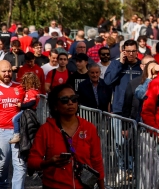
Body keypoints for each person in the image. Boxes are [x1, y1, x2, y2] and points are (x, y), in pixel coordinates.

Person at [28, 85, 105, 189]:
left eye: (74, 99)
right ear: (55, 105)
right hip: (53, 186)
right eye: (64, 100)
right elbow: (32, 161)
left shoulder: (89, 128)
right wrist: (48, 162)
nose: (70, 103)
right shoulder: (46, 130)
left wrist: (102, 187)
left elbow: (97, 161)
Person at [0, 60, 25, 188]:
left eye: (9, 71)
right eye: (4, 71)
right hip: (1, 132)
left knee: (20, 165)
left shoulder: (20, 87)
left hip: (18, 132)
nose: (7, 74)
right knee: (2, 165)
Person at [103, 39, 143, 117]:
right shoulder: (116, 63)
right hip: (119, 109)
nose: (131, 54)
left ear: (137, 51)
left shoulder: (141, 65)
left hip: (136, 109)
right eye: (128, 51)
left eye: (133, 51)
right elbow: (107, 81)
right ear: (123, 51)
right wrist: (120, 64)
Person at [7, 72, 39, 145]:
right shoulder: (31, 91)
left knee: (15, 119)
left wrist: (21, 105)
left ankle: (17, 134)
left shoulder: (32, 92)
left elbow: (32, 102)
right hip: (27, 110)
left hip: (28, 110)